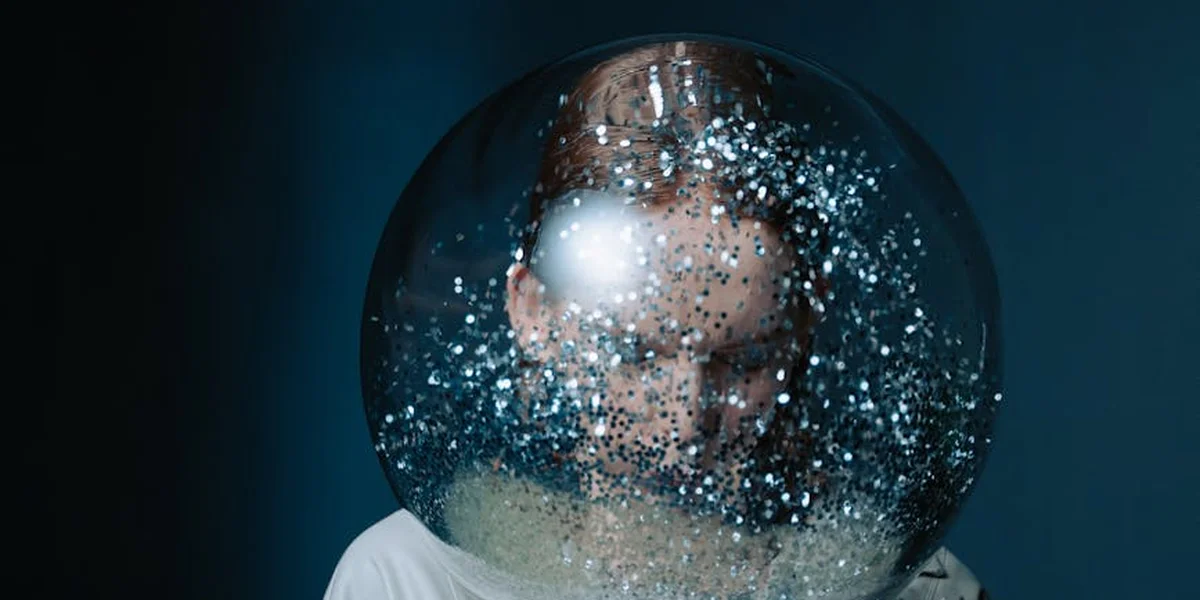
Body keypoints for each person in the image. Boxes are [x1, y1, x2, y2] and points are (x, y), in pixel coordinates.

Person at [328, 41, 990, 600]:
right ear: (532, 313)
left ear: (799, 326)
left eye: (745, 359)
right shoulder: (407, 581)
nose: (684, 422)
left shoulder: (913, 586)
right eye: (632, 354)